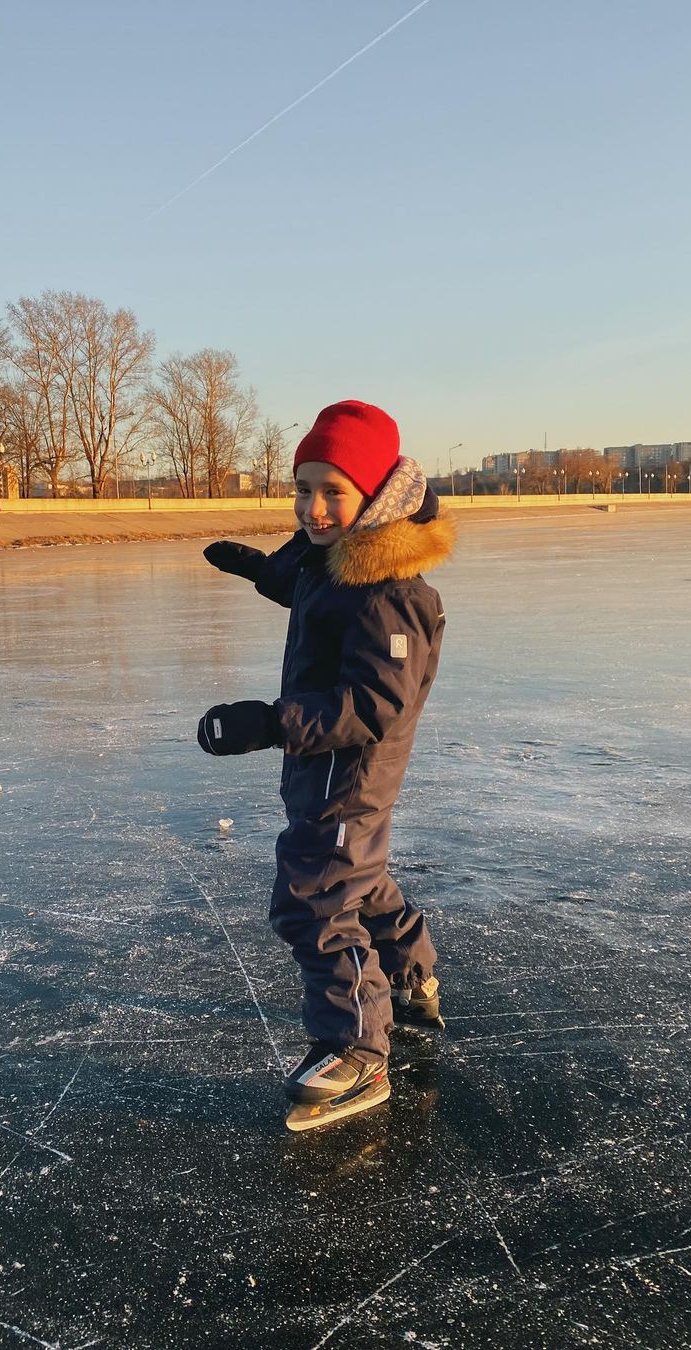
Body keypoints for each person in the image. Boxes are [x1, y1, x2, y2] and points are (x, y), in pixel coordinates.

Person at [198, 400, 455, 1123]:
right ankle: (411, 976)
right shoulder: (337, 561)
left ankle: (358, 1052)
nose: (312, 507)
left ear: (373, 495)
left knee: (313, 899)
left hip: (348, 775)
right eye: (301, 489)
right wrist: (258, 569)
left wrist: (269, 723)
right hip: (328, 773)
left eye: (331, 490)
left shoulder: (391, 593)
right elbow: (312, 591)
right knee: (358, 879)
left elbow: (375, 703)